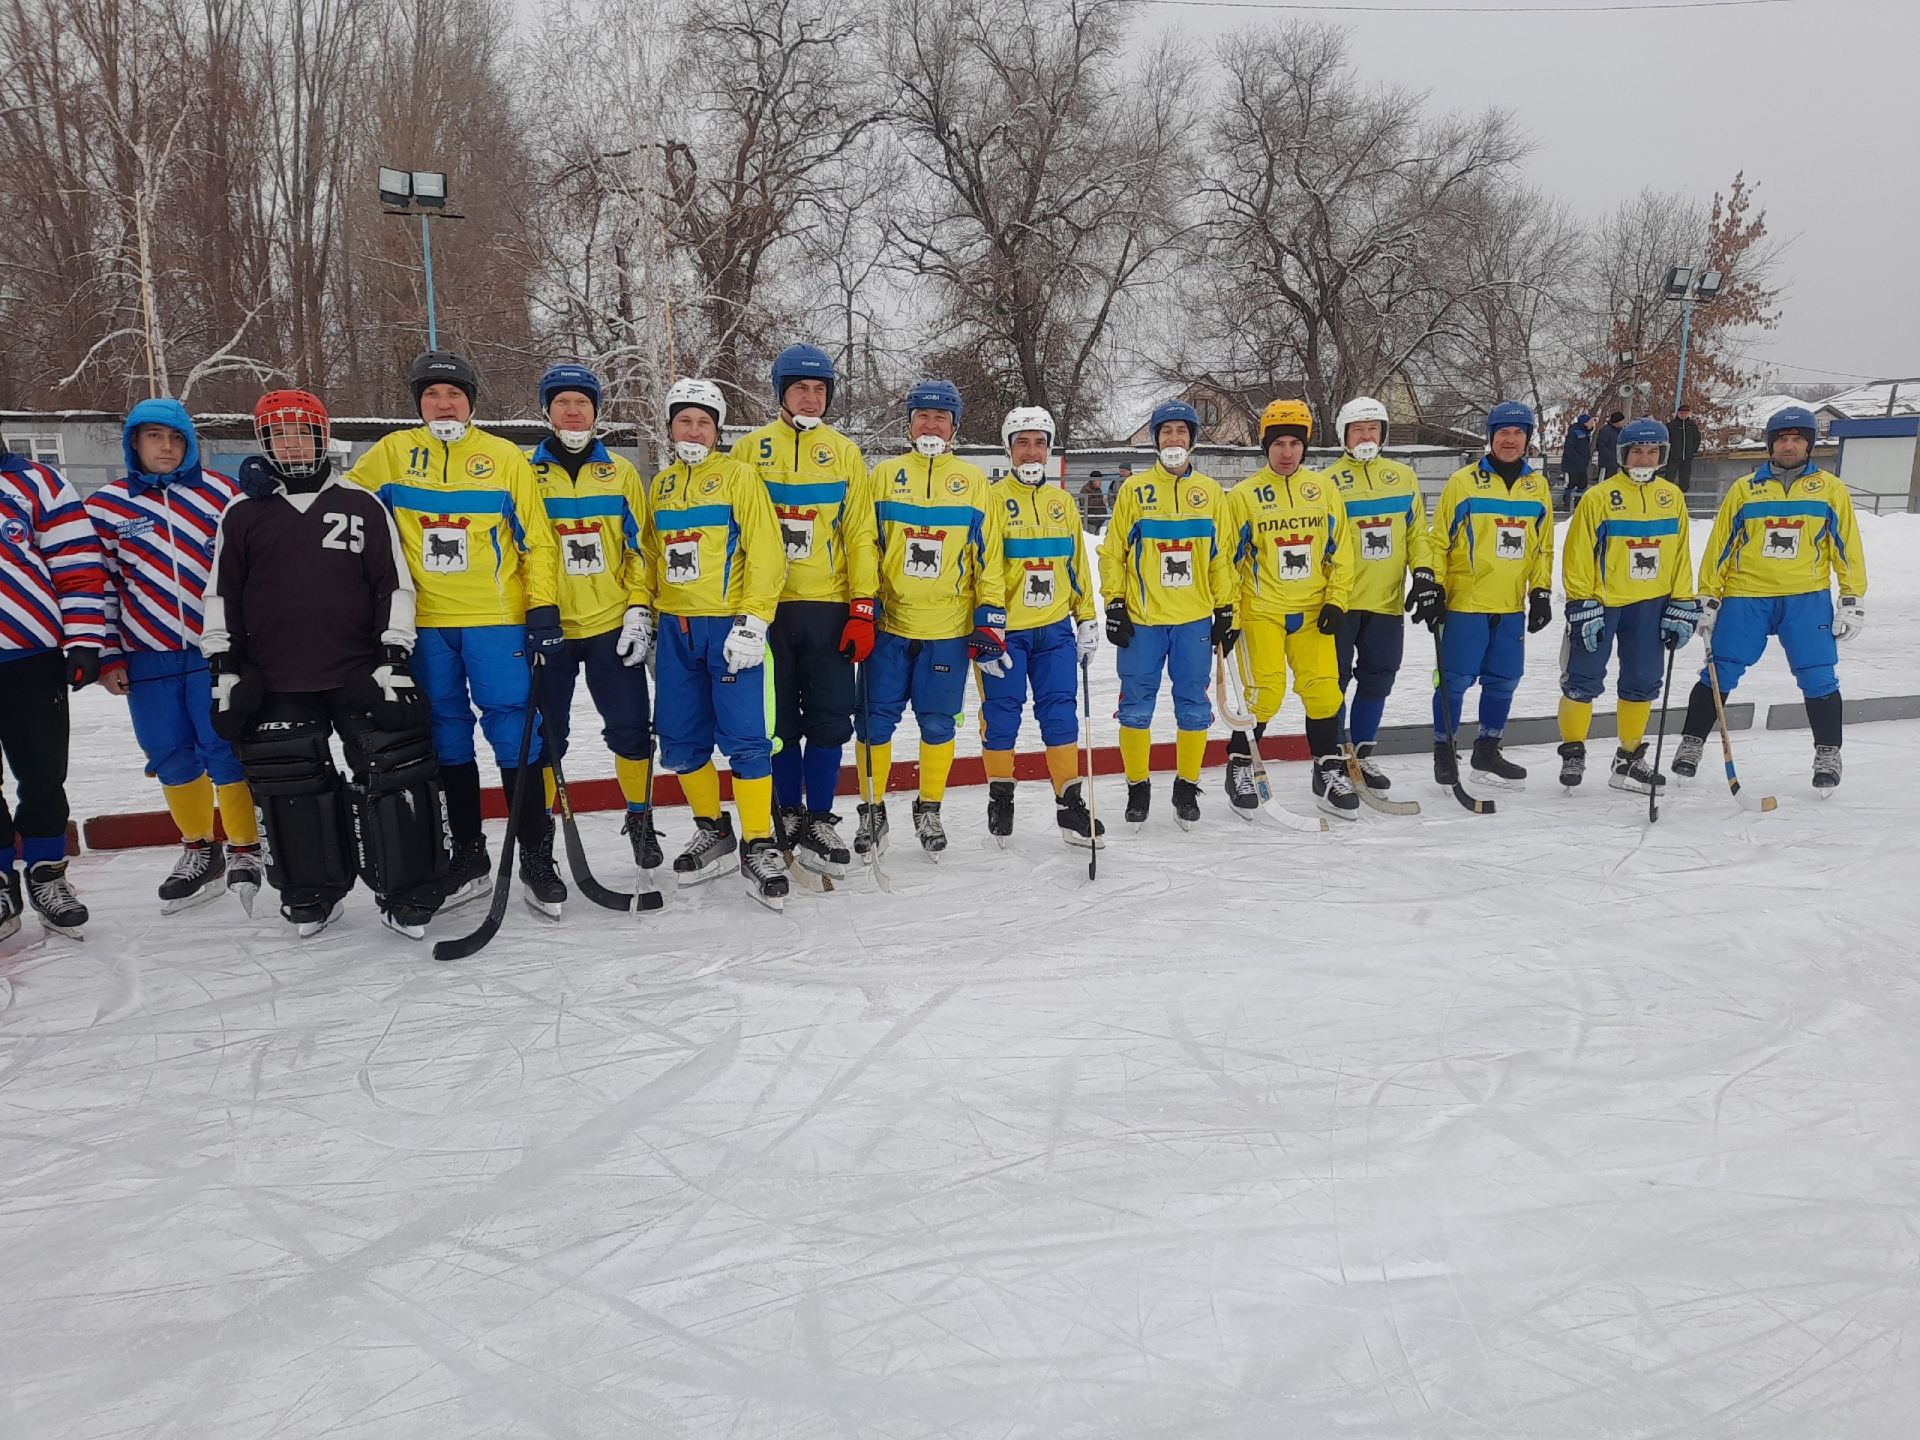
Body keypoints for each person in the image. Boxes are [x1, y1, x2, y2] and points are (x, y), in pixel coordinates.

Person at [203, 390, 451, 939]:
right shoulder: (242, 512)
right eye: (279, 435)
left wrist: (394, 655)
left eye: (302, 433)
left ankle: (407, 890)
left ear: (323, 437)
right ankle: (312, 892)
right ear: (264, 442)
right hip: (277, 675)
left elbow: (393, 583)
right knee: (289, 782)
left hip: (359, 669)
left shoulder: (362, 503)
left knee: (398, 770)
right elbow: (222, 592)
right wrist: (224, 662)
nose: (291, 444)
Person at [348, 350, 567, 918]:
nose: (443, 404)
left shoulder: (504, 457)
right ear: (418, 403)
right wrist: (276, 488)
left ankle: (536, 853)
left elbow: (537, 541)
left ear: (470, 401)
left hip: (496, 621)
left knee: (515, 732)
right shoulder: (393, 452)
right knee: (445, 735)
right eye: (431, 395)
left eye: (454, 394)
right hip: (425, 624)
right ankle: (468, 853)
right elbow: (343, 505)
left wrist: (542, 609)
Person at [86, 400, 262, 915]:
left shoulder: (222, 495)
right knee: (169, 751)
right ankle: (199, 848)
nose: (166, 447)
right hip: (147, 654)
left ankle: (246, 847)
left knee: (224, 745)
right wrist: (108, 654)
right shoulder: (107, 506)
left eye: (177, 438)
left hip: (216, 649)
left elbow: (252, 570)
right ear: (134, 443)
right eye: (154, 437)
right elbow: (100, 588)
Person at [729, 343, 877, 881]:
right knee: (777, 722)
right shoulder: (748, 450)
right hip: (765, 610)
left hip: (827, 607)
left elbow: (859, 533)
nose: (810, 398)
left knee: (830, 718)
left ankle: (818, 817)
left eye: (819, 389)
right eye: (799, 388)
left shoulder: (844, 452)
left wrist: (863, 605)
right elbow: (733, 533)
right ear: (780, 393)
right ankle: (786, 809)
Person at [643, 378, 789, 906]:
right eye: (684, 421)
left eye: (704, 422)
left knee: (746, 739)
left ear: (717, 431)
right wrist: (643, 611)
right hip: (676, 631)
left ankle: (758, 841)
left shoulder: (739, 477)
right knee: (680, 741)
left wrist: (754, 620)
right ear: (670, 428)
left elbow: (767, 552)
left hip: (730, 629)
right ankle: (713, 829)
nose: (694, 431)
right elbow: (649, 556)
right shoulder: (660, 486)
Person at [1672, 405, 1865, 792]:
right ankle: (1691, 744)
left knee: (1818, 674)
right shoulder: (1745, 489)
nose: (1789, 446)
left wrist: (1851, 596)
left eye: (1797, 439)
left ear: (1809, 444)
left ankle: (1828, 752)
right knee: (1719, 670)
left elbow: (1845, 547)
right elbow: (1721, 546)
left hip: (1806, 596)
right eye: (1782, 439)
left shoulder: (1830, 489)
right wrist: (1707, 595)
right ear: (1770, 444)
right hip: (1747, 595)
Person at [857, 379, 1007, 857]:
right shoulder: (883, 475)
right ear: (909, 424)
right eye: (922, 416)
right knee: (873, 723)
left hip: (948, 630)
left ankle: (929, 807)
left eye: (941, 418)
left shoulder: (973, 482)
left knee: (939, 724)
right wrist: (862, 602)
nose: (931, 425)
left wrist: (990, 617)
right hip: (889, 627)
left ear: (954, 427)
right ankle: (872, 809)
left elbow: (990, 557)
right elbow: (865, 544)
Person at [529, 363, 662, 873]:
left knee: (631, 731)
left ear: (596, 411)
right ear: (547, 411)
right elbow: (522, 549)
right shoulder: (526, 471)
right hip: (551, 629)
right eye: (562, 402)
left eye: (582, 403)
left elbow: (639, 549)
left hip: (611, 626)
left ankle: (641, 817)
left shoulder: (620, 472)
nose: (572, 411)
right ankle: (541, 836)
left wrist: (638, 607)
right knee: (547, 737)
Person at [1097, 399, 1235, 829]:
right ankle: (1137, 786)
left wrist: (1226, 607)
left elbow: (1221, 557)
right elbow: (1113, 553)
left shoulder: (1210, 493)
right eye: (1166, 431)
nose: (1174, 438)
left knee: (1193, 706)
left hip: (1193, 620)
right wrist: (1114, 602)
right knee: (1135, 709)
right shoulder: (1135, 491)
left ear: (1192, 439)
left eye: (1181, 431)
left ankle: (1186, 785)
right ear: (1156, 439)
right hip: (1143, 622)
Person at [1220, 400, 1358, 818]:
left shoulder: (1324, 490)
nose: (1286, 452)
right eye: (1278, 443)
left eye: (1295, 444)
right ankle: (1241, 764)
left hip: (1313, 611)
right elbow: (1228, 561)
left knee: (1325, 692)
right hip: (1262, 611)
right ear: (1265, 446)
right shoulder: (1243, 496)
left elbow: (1341, 552)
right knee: (1266, 693)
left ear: (1305, 447)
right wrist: (1229, 614)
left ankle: (1327, 769)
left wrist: (1336, 599)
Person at [1554, 418, 1700, 794]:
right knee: (1582, 680)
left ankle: (1629, 757)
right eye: (1637, 451)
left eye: (1653, 452)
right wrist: (1580, 601)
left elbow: (1680, 554)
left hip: (1651, 605)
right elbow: (1578, 555)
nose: (1644, 459)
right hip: (1602, 605)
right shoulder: (1599, 498)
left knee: (1642, 682)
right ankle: (1573, 751)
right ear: (1623, 454)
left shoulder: (1672, 497)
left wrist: (1683, 600)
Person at [981, 406, 1102, 847]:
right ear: (1009, 449)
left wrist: (1086, 617)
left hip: (1054, 630)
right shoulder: (992, 499)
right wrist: (988, 627)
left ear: (1049, 450)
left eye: (1039, 443)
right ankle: (1000, 795)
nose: (1031, 452)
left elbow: (1077, 567)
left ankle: (1070, 802)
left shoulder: (1062, 502)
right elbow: (985, 567)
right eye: (1022, 443)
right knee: (1002, 716)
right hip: (1007, 632)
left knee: (1060, 714)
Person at [0, 438, 105, 944]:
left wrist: (84, 640)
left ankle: (47, 874)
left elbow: (78, 564)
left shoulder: (38, 483)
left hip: (30, 656)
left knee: (42, 772)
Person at [1428, 401, 1555, 787]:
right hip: (1467, 602)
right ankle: (1444, 749)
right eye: (1503, 433)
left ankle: (1487, 748)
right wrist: (1433, 585)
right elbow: (1439, 540)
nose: (1510, 440)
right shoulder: (1463, 482)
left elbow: (1542, 546)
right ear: (1491, 436)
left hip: (1511, 605)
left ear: (1528, 439)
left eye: (1518, 433)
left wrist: (1541, 591)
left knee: (1504, 680)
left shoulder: (1537, 486)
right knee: (1454, 680)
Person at [1321, 395, 1441, 793]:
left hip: (1386, 602)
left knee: (1379, 679)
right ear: (1344, 435)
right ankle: (1334, 755)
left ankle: (1362, 752)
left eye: (1373, 429)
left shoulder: (1402, 476)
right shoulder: (1326, 483)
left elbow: (1417, 534)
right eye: (1358, 430)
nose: (1366, 437)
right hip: (1341, 603)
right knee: (1333, 682)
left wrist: (1423, 574)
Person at [1664, 404, 1703, 494]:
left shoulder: (1691, 425)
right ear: (1678, 413)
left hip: (1687, 458)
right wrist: (1670, 451)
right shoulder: (1671, 425)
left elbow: (1696, 439)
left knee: (1684, 481)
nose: (1683, 415)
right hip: (1673, 458)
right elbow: (1666, 439)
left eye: (1685, 413)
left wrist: (1692, 450)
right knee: (1669, 479)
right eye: (1681, 413)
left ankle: (1682, 497)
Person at [1559, 412, 1594, 510]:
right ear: (1585, 423)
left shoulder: (1586, 433)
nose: (1592, 424)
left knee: (1583, 483)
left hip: (1582, 465)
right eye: (1590, 422)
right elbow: (1569, 448)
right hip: (1571, 465)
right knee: (1570, 483)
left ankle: (1579, 503)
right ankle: (1567, 504)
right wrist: (1577, 459)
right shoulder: (1575, 433)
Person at [1595, 411, 1625, 484]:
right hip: (1607, 463)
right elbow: (1600, 445)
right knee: (1603, 483)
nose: (1623, 423)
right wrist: (1611, 456)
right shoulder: (1606, 431)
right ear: (1617, 422)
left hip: (1616, 463)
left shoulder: (1620, 431)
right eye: (1621, 421)